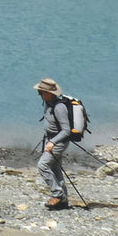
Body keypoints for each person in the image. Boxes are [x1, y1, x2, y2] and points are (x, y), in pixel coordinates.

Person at [35, 76, 70, 209]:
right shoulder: (48, 104)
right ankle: (64, 201)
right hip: (52, 140)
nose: (39, 95)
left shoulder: (59, 107)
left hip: (58, 141)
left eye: (41, 92)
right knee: (55, 169)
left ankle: (57, 194)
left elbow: (66, 131)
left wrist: (53, 142)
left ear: (49, 93)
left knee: (42, 165)